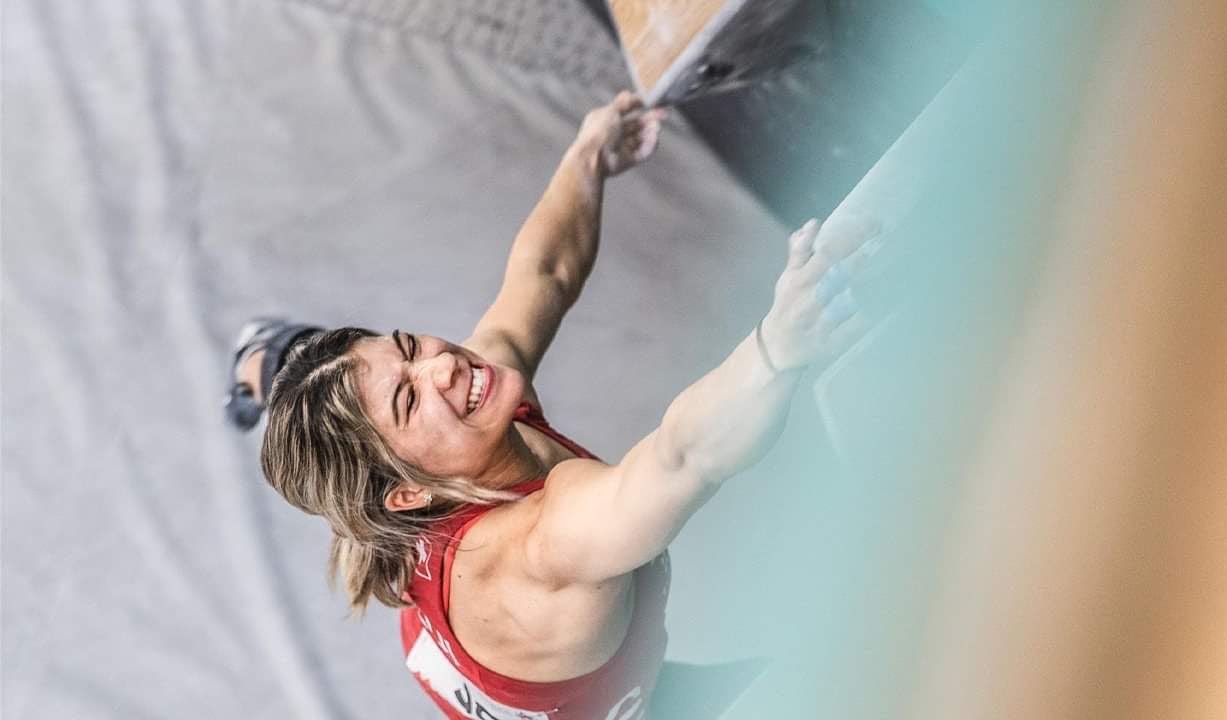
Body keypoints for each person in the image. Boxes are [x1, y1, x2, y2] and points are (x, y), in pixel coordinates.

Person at [226, 90, 873, 719]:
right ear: (407, 495)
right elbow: (682, 460)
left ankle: (270, 361)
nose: (444, 363)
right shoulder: (545, 551)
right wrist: (776, 350)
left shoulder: (463, 414)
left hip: (537, 655)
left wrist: (589, 156)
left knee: (325, 394)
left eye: (408, 346)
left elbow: (545, 274)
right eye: (408, 395)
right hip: (590, 682)